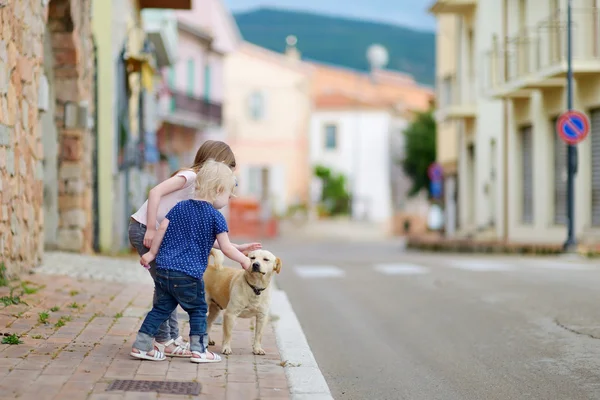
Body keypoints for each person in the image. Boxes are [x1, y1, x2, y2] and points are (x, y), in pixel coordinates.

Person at [128, 140, 260, 357]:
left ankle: (168, 337)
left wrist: (235, 247)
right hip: (145, 229)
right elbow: (155, 193)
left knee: (167, 287)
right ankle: (165, 339)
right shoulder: (191, 177)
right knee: (168, 288)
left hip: (160, 233)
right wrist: (151, 228)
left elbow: (203, 234)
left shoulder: (199, 198)